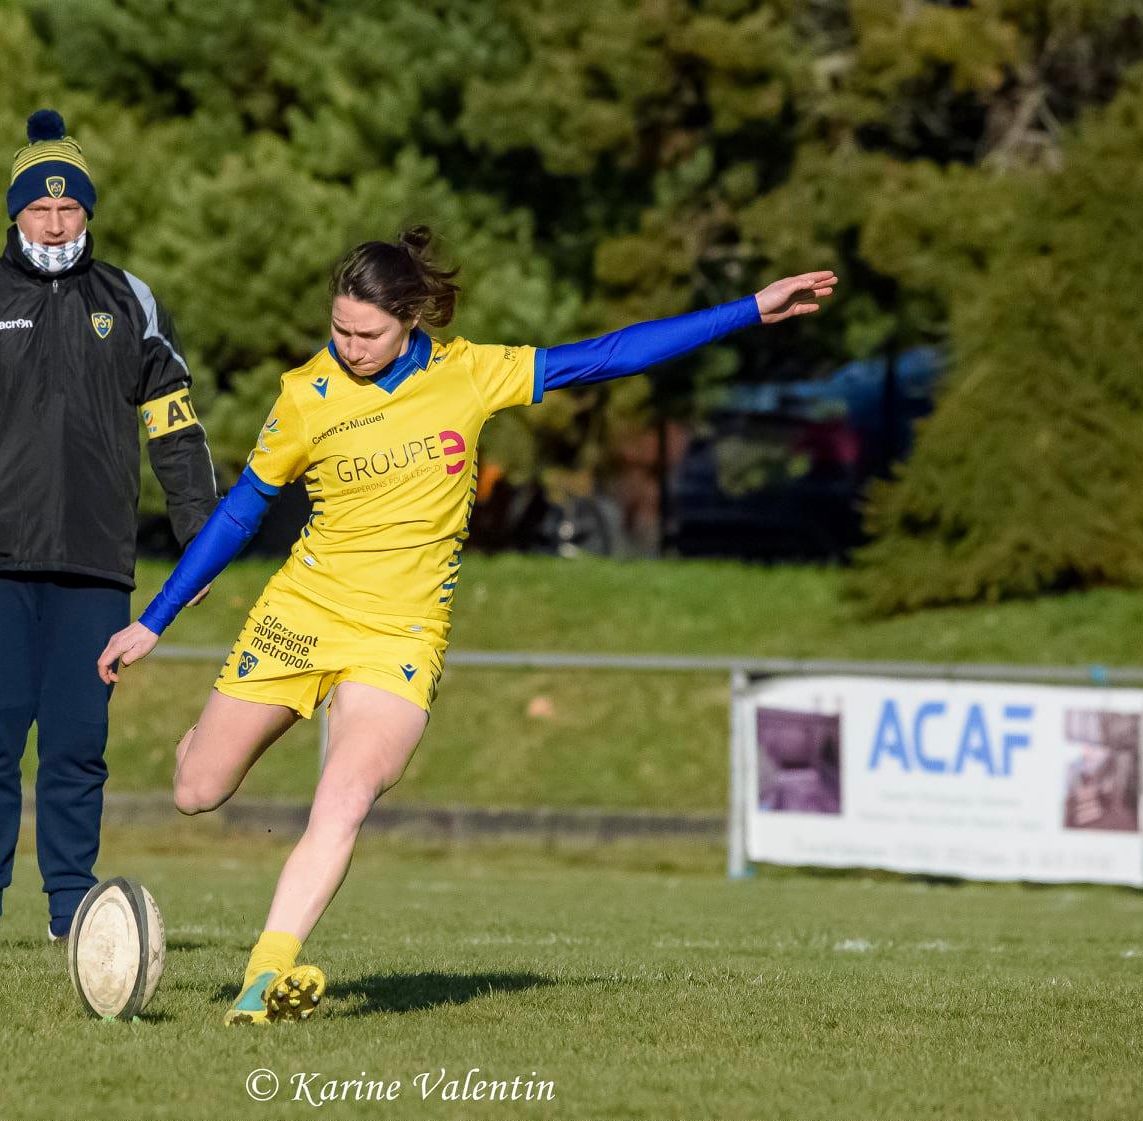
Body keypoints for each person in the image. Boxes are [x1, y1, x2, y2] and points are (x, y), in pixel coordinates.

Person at [96, 227, 836, 1021]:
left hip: (401, 636)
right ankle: (201, 742)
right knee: (195, 790)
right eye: (338, 329)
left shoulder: (470, 375)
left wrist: (748, 310)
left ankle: (263, 977)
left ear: (411, 317)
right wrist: (155, 619)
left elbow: (611, 353)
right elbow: (244, 509)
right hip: (301, 614)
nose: (348, 346)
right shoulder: (305, 392)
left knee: (344, 795)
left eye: (367, 333)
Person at [0, 110, 218, 952]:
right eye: (40, 209)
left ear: (88, 216)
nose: (56, 223)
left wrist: (198, 538)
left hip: (95, 566)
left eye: (70, 210)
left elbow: (175, 431)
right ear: (15, 213)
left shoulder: (133, 304)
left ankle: (72, 911)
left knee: (76, 745)